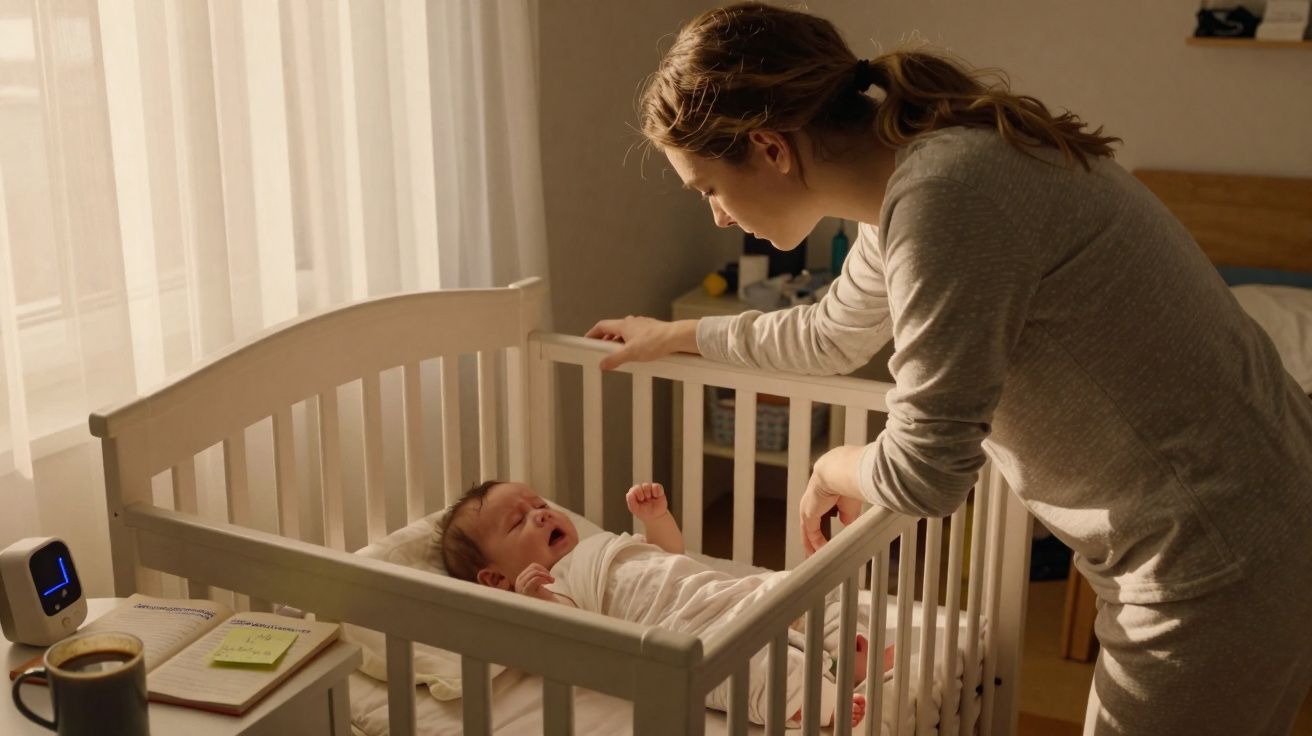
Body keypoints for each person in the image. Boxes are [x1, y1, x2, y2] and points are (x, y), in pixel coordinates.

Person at [585, 3, 1312, 734]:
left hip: (1217, 553)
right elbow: (828, 334)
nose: (716, 216)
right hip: (1245, 515)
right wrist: (680, 335)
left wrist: (832, 465)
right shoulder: (912, 179)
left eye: (709, 189)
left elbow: (925, 471)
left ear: (770, 147)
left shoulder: (946, 196)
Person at [435, 480, 880, 728]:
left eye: (538, 503)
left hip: (726, 594)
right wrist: (538, 603)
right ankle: (820, 703)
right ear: (495, 578)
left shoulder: (598, 544)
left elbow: (668, 554)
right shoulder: (554, 585)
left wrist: (656, 519)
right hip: (695, 638)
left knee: (813, 585)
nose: (542, 513)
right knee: (758, 671)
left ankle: (847, 654)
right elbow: (576, 638)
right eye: (519, 521)